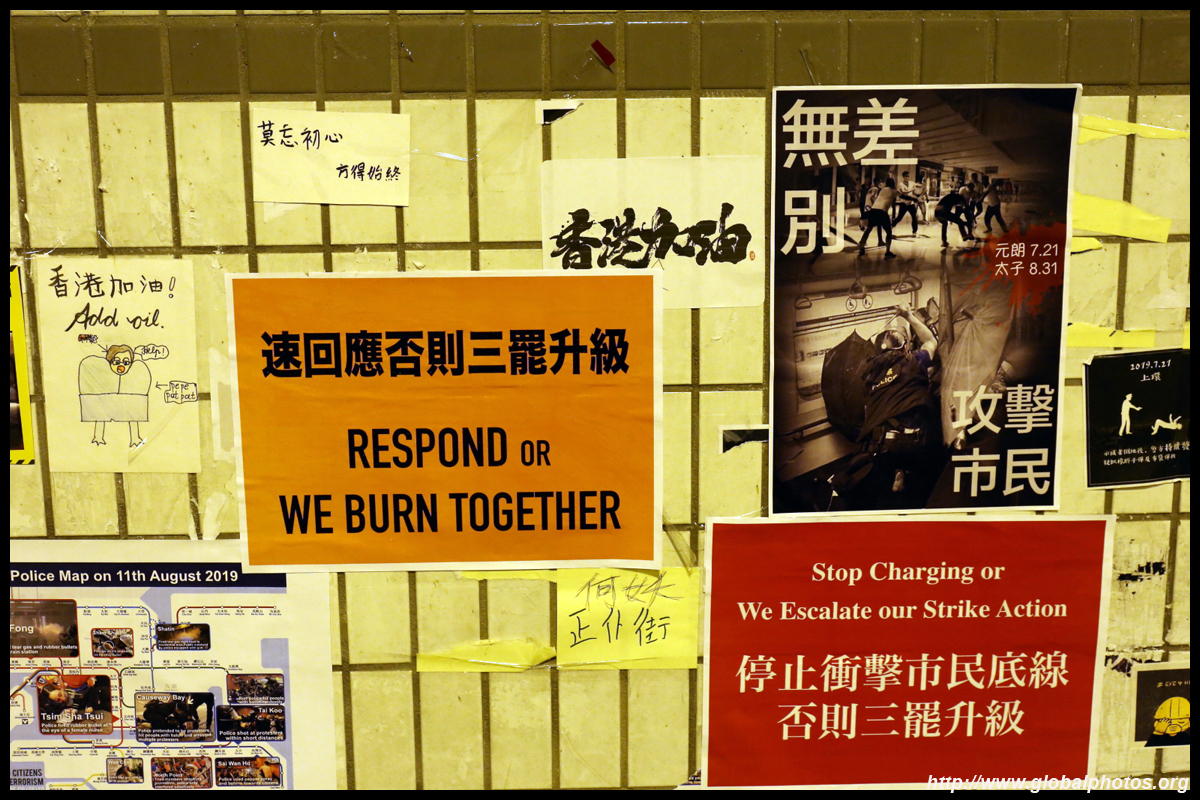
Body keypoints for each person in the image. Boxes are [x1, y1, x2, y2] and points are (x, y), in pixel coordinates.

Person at [832, 303, 941, 509]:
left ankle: (898, 472)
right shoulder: (914, 360)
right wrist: (908, 316)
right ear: (905, 347)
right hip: (912, 444)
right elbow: (930, 341)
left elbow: (871, 411)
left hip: (878, 447)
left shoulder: (868, 376)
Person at [858, 177, 899, 258]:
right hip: (880, 211)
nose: (882, 183)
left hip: (874, 210)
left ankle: (862, 245)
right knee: (888, 232)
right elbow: (871, 198)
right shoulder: (887, 190)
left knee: (869, 229)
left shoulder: (882, 190)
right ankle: (887, 251)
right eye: (881, 182)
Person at [892, 171, 920, 236]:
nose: (907, 177)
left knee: (914, 217)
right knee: (899, 217)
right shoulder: (901, 184)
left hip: (911, 203)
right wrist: (912, 190)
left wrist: (921, 185)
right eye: (906, 176)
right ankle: (891, 225)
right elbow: (903, 192)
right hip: (904, 203)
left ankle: (914, 231)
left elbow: (918, 185)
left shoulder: (911, 183)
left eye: (908, 176)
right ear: (903, 177)